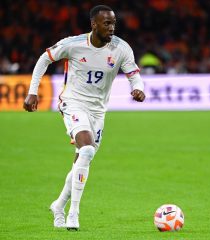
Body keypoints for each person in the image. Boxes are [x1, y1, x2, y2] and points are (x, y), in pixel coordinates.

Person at [23, 5, 146, 230]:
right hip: (73, 103)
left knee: (83, 158)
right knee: (87, 149)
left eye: (113, 23)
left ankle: (58, 205)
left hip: (98, 111)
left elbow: (133, 75)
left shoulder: (121, 48)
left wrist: (138, 88)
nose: (111, 28)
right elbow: (44, 59)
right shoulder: (74, 44)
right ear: (94, 24)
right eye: (106, 23)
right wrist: (33, 91)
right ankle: (73, 213)